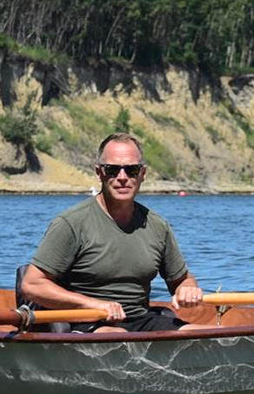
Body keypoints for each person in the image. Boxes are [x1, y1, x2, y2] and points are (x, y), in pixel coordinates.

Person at [18, 132, 209, 333]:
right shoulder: (71, 224)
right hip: (87, 321)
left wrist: (188, 288)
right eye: (112, 170)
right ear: (99, 172)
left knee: (200, 334)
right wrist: (92, 305)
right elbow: (32, 285)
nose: (122, 177)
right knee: (118, 336)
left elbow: (182, 279)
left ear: (143, 173)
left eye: (132, 170)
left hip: (141, 320)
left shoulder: (158, 226)